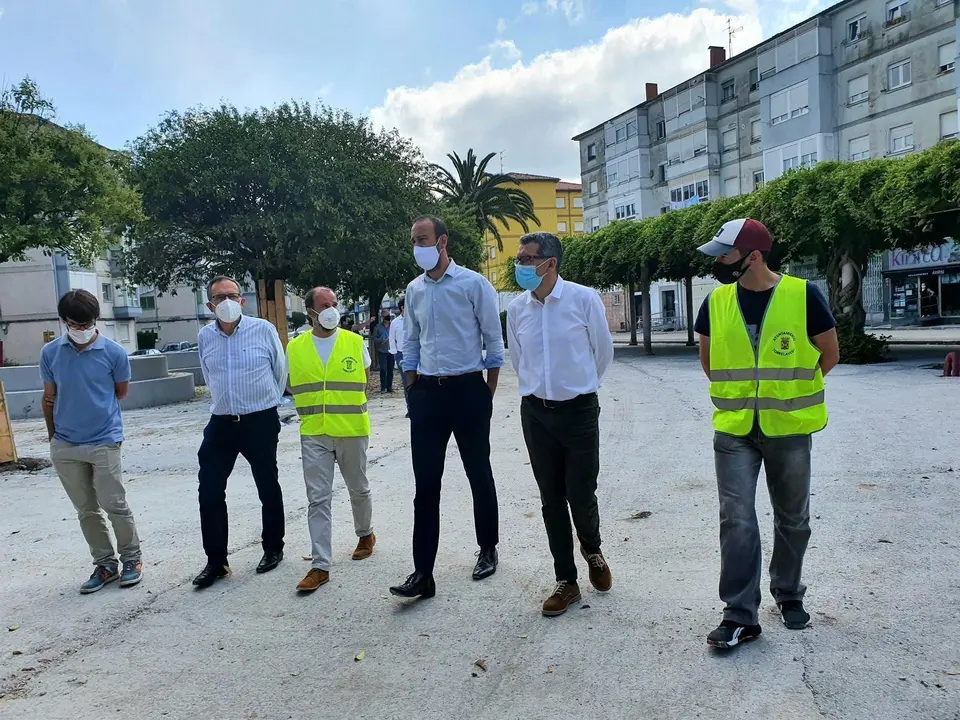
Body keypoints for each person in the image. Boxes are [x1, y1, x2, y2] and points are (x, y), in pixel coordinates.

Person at [694, 218, 839, 650]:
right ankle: (740, 614)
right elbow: (709, 361)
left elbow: (828, 354)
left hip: (788, 427)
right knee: (735, 519)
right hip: (735, 429)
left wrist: (786, 395)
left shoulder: (803, 294)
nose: (718, 262)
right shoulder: (716, 301)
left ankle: (788, 592)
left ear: (752, 257)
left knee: (793, 518)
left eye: (725, 254)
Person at [389, 216, 504, 600]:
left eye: (421, 239)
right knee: (425, 485)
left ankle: (487, 548)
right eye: (412, 241)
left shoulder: (473, 284)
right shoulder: (414, 290)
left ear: (442, 241)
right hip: (427, 395)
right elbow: (411, 342)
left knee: (478, 473)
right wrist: (411, 389)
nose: (416, 246)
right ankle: (423, 572)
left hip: (468, 390)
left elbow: (493, 341)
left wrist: (486, 394)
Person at [507, 232, 615, 617]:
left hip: (579, 411)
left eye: (527, 259)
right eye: (518, 258)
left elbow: (602, 354)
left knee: (581, 493)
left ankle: (593, 549)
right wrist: (541, 391)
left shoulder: (583, 300)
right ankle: (566, 580)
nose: (519, 266)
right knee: (551, 499)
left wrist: (578, 388)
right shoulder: (518, 309)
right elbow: (518, 360)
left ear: (550, 263)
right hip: (536, 413)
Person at [40, 289, 143, 594]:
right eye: (75, 324)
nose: (82, 331)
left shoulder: (114, 352)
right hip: (66, 444)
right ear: (64, 321)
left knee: (114, 504)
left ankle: (132, 559)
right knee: (86, 510)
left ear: (96, 321)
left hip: (104, 440)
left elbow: (120, 392)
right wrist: (54, 438)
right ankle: (105, 564)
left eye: (87, 324)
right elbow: (49, 397)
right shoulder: (50, 353)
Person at [193, 276, 288, 589]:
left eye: (232, 295)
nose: (227, 302)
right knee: (209, 490)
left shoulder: (263, 329)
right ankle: (216, 560)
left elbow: (279, 370)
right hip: (221, 422)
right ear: (210, 305)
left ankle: (273, 547)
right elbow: (209, 375)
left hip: (259, 419)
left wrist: (266, 403)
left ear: (242, 300)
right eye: (219, 298)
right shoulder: (205, 336)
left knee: (266, 484)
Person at [287, 287, 376, 593]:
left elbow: (364, 375)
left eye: (335, 304)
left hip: (351, 428)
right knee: (318, 498)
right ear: (310, 311)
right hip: (314, 432)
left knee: (358, 488)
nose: (331, 309)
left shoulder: (354, 341)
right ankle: (320, 565)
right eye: (325, 305)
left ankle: (365, 533)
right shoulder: (295, 347)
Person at [389, 297, 409, 417]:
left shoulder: (415, 319)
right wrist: (395, 355)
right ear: (402, 307)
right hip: (402, 354)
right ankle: (410, 408)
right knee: (407, 382)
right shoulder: (395, 323)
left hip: (416, 353)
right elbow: (392, 339)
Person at [374, 311, 394, 393]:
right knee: (383, 369)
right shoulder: (378, 327)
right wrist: (381, 340)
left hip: (391, 350)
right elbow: (374, 339)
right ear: (382, 317)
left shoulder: (393, 326)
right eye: (385, 316)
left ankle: (389, 387)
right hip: (382, 351)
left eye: (388, 316)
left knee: (390, 370)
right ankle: (383, 387)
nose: (387, 317)